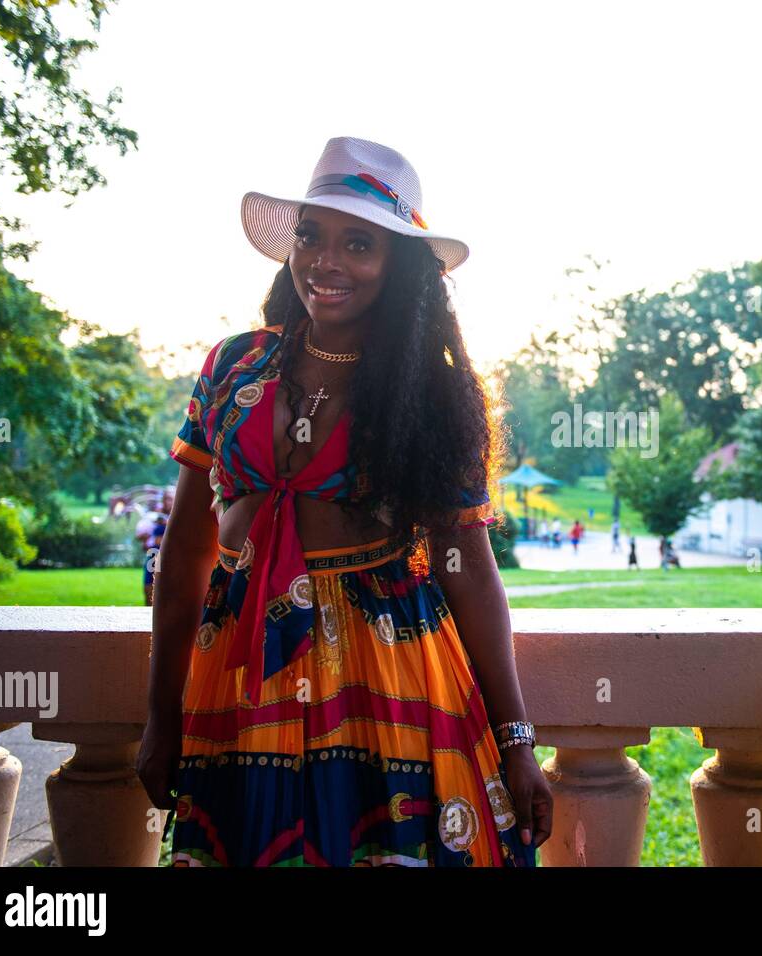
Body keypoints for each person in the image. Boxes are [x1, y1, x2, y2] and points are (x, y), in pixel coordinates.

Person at [136, 137, 551, 867]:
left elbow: (469, 570)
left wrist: (517, 739)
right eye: (310, 237)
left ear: (400, 267)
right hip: (236, 676)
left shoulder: (433, 393)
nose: (325, 263)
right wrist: (159, 713)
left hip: (386, 677)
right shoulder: (233, 365)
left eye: (357, 244)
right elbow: (188, 552)